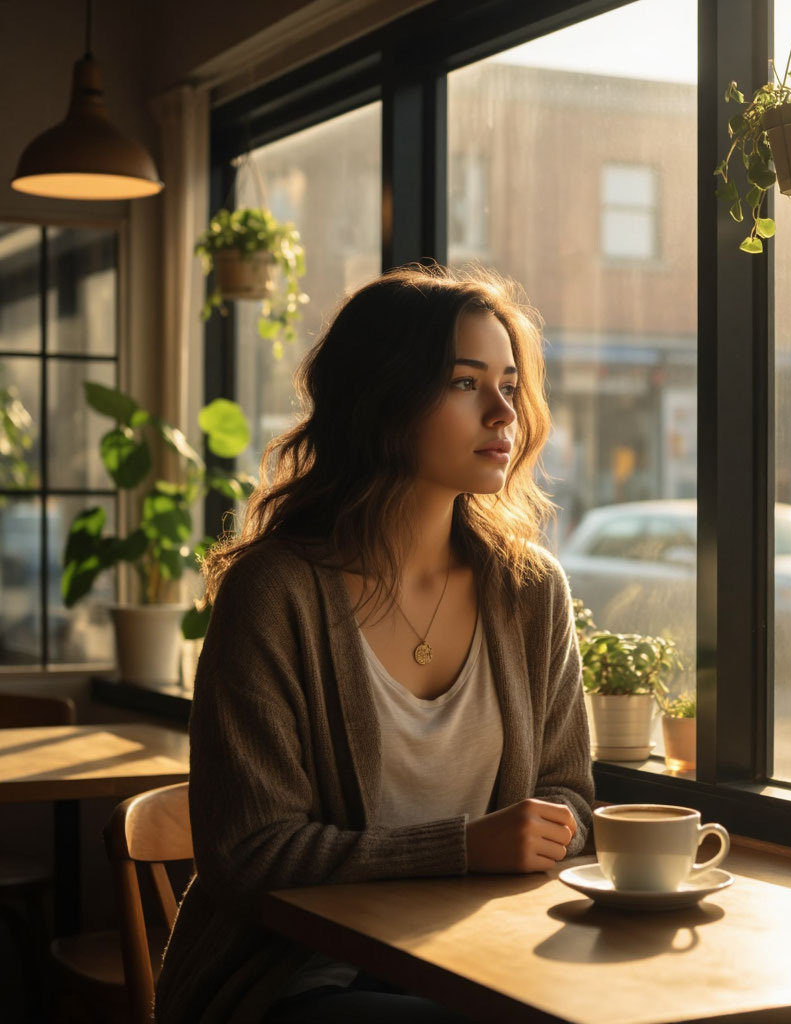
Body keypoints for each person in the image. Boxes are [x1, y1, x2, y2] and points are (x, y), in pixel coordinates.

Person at [155, 263, 595, 1023]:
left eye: (511, 385)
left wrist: (546, 827)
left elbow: (569, 798)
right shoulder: (275, 593)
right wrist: (464, 847)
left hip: (476, 962)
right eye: (466, 383)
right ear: (384, 398)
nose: (502, 413)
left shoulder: (530, 592)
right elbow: (248, 855)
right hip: (293, 981)